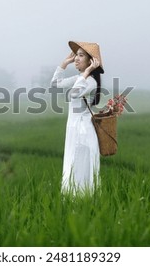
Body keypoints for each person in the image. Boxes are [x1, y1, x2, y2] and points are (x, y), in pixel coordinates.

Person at [50, 41, 104, 196]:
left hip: (83, 133)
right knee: (72, 168)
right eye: (76, 55)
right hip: (74, 130)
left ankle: (82, 208)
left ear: (91, 61)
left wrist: (87, 72)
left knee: (80, 173)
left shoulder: (90, 81)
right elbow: (55, 85)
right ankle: (73, 206)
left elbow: (74, 93)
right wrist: (63, 64)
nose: (76, 59)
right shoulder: (80, 78)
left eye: (81, 55)